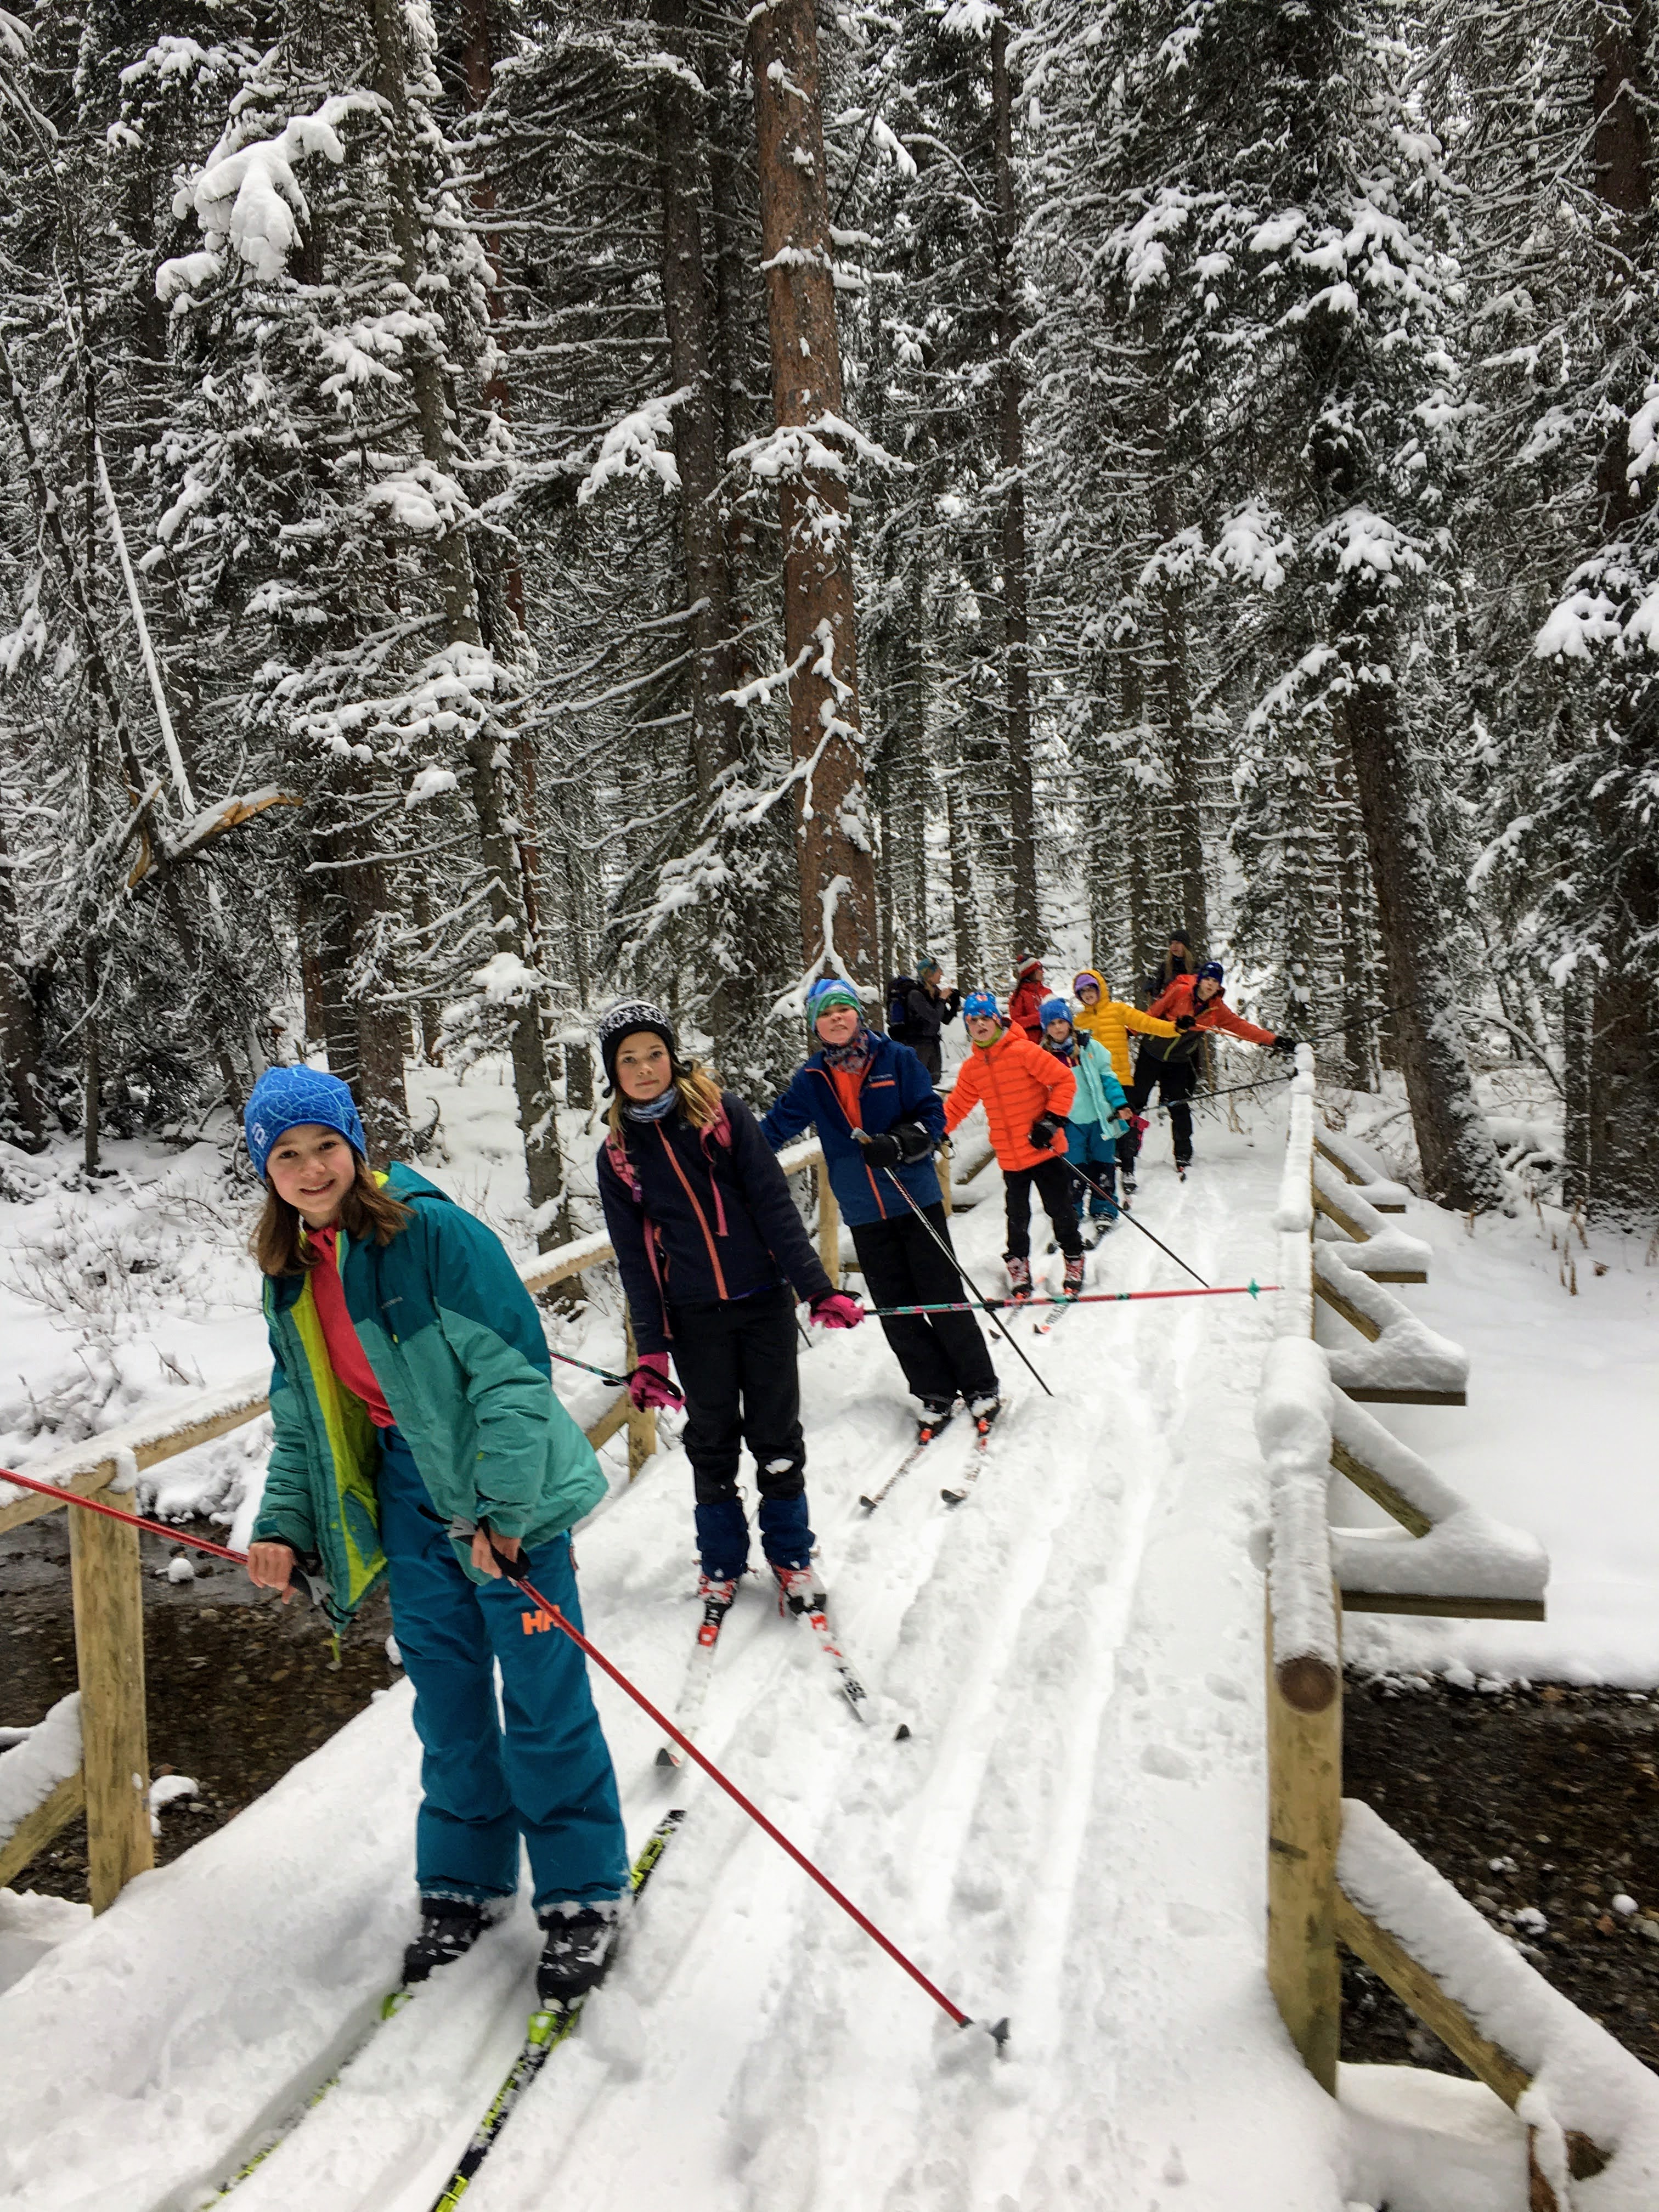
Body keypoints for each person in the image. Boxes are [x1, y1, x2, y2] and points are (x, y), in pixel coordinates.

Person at [241, 1066, 630, 2002]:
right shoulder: (291, 1273)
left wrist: (502, 1511)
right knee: (448, 1697)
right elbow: (303, 1417)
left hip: (501, 1486)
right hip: (404, 1495)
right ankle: (465, 1877)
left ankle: (582, 1891)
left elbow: (512, 1379)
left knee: (541, 1694)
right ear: (266, 1170)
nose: (310, 1168)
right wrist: (282, 1523)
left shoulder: (432, 1235)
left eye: (325, 1145)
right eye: (286, 1155)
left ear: (355, 1147)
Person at [592, 998, 862, 1627]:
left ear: (672, 1056)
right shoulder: (619, 1156)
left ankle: (791, 1557)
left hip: (763, 1302)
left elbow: (772, 1204)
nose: (644, 1068)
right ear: (614, 1072)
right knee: (710, 1442)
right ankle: (720, 1562)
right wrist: (652, 1351)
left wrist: (817, 1288)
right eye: (629, 1059)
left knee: (776, 1435)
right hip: (693, 1319)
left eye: (654, 1053)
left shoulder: (720, 1115)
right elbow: (636, 1261)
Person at [762, 977, 1000, 1441]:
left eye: (843, 1009)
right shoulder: (812, 1079)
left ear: (857, 1014)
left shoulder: (897, 1058)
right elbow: (772, 1129)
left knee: (942, 1295)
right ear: (815, 1025)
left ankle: (979, 1385)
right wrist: (723, 1153)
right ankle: (933, 1392)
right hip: (863, 1211)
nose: (836, 1018)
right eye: (826, 1013)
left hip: (913, 1197)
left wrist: (901, 1143)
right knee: (896, 1309)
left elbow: (932, 1117)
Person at [943, 990, 1083, 1301]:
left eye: (985, 1018)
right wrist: (935, 1132)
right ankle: (1018, 1264)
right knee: (1016, 1216)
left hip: (1043, 1149)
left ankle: (1074, 1256)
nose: (979, 1025)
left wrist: (1051, 1121)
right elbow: (957, 1106)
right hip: (1011, 1157)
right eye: (972, 1021)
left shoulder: (1023, 1051)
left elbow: (1064, 1080)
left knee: (1059, 1209)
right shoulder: (973, 1068)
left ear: (997, 1020)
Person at [1122, 961, 1296, 1179]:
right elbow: (1153, 1013)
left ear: (1219, 986)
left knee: (1179, 1105)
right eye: (1207, 979)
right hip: (1152, 1053)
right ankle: (1124, 1150)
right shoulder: (1180, 992)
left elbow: (1242, 1027)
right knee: (1136, 1101)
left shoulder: (1216, 1010)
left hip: (1178, 1060)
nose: (1210, 984)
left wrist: (1274, 1040)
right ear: (1200, 979)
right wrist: (1131, 1031)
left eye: (1215, 981)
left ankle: (1183, 1156)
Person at [1039, 996, 1130, 1240]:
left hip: (1100, 1119)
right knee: (1073, 1169)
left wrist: (1120, 1103)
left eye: (1061, 1022)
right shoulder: (1042, 1056)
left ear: (1069, 1022)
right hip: (1069, 1122)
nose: (1058, 1028)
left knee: (1103, 1165)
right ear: (1046, 1028)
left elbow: (1108, 1077)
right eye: (1052, 1024)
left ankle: (1104, 1208)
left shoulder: (1090, 1047)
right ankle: (1073, 1210)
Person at [900, 956, 960, 1085]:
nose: (941, 974)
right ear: (929, 975)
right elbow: (933, 1018)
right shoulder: (915, 995)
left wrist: (955, 1003)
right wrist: (942, 1000)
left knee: (935, 1078)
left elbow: (945, 1019)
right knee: (919, 1081)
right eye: (938, 971)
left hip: (933, 1042)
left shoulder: (934, 992)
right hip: (917, 1044)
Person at [1143, 930, 1197, 1007]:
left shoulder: (1195, 967)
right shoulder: (1165, 966)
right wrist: (1151, 988)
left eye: (1178, 943)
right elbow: (1157, 991)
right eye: (1172, 943)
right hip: (1168, 1007)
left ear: (1185, 946)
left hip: (1187, 1007)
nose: (1174, 946)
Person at [1008, 953, 1048, 1042]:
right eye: (1040, 969)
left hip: (1051, 1041)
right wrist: (1039, 1017)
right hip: (1030, 1042)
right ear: (1031, 972)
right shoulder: (1019, 995)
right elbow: (1016, 1022)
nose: (1043, 972)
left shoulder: (1047, 992)